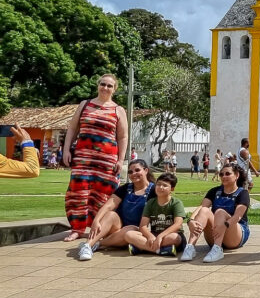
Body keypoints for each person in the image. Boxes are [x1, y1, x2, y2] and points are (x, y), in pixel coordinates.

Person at [62, 74, 128, 243]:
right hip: (83, 158)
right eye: (102, 84)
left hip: (106, 160)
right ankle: (77, 229)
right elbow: (72, 128)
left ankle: (99, 229)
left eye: (109, 86)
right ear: (98, 85)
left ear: (114, 89)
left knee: (104, 194)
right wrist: (66, 150)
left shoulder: (118, 110)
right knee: (78, 192)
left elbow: (123, 137)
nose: (105, 88)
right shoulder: (85, 105)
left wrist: (120, 160)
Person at [79, 159, 156, 260]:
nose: (134, 174)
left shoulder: (154, 190)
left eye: (137, 170)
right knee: (111, 214)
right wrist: (96, 221)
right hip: (116, 229)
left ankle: (98, 243)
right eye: (130, 172)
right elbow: (108, 205)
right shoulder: (125, 188)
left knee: (130, 230)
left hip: (136, 231)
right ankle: (87, 246)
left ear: (146, 170)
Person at [182, 162, 252, 262]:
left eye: (227, 174)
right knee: (204, 210)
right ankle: (190, 247)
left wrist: (224, 225)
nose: (224, 176)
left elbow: (238, 216)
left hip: (235, 234)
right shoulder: (214, 191)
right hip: (216, 232)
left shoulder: (243, 193)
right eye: (221, 174)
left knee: (220, 212)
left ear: (237, 175)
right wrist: (191, 221)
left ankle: (218, 249)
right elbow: (202, 207)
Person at [126, 172, 186, 256]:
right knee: (129, 234)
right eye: (158, 184)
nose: (160, 187)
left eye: (165, 185)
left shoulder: (176, 203)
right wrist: (150, 236)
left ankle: (142, 248)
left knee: (175, 238)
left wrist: (160, 236)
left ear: (172, 189)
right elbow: (143, 226)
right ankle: (161, 250)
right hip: (154, 234)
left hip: (170, 235)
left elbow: (178, 225)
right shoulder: (150, 202)